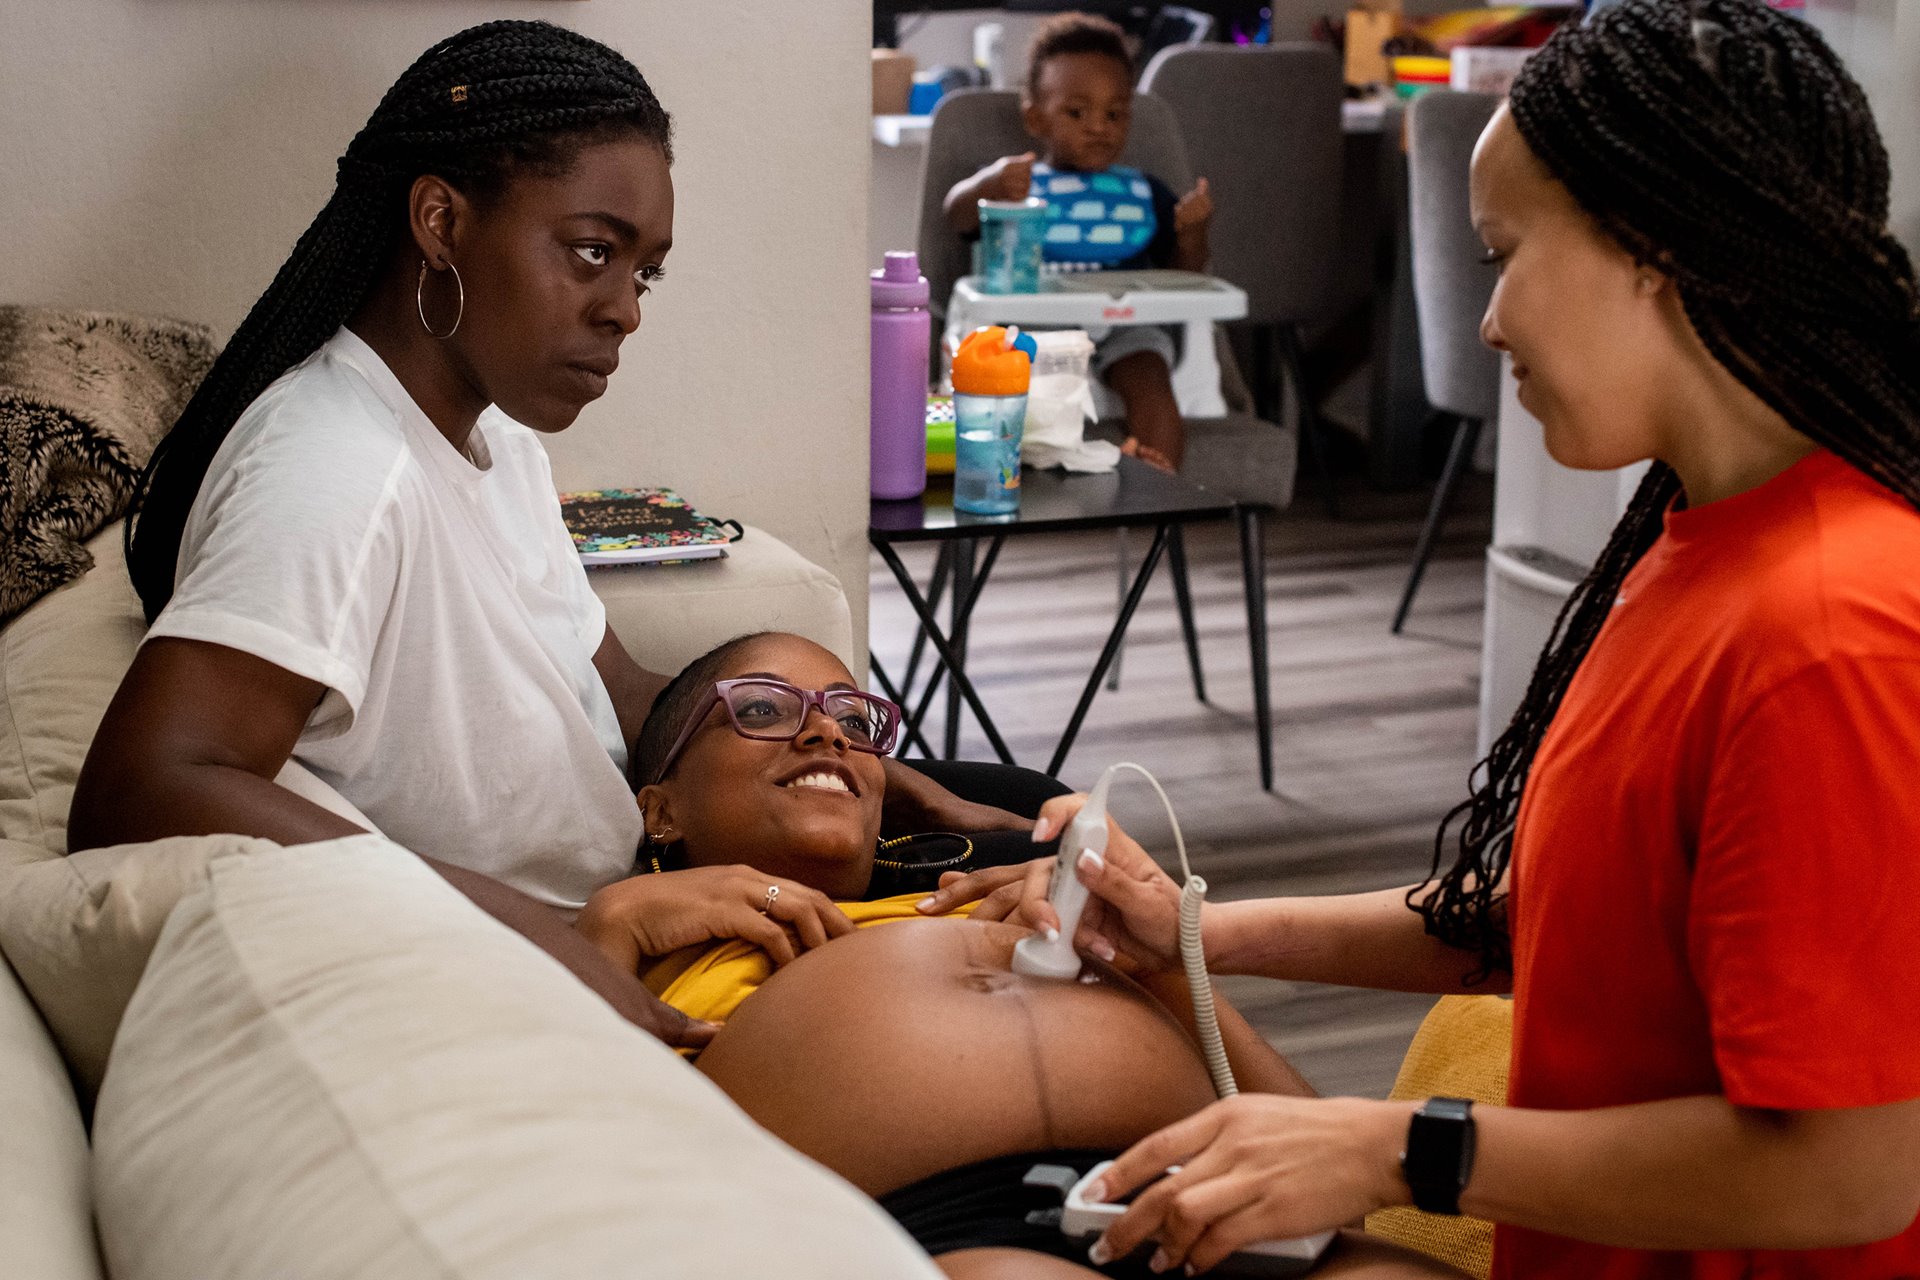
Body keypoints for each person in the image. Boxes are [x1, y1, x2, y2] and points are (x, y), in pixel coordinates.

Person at [925, 1, 1920, 1274]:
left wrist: (1404, 1146)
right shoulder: (1698, 541)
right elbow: (1576, 919)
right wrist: (1197, 930)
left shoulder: (1835, 636)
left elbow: (1850, 1170)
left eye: (1505, 253)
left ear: (1655, 246)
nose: (1490, 319)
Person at [65, 20, 1019, 1052]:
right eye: (593, 252)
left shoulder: (488, 433)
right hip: (582, 933)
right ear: (440, 221)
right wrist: (553, 939)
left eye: (641, 272)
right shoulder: (340, 468)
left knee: (1027, 814)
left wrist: (857, 763)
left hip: (644, 856)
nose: (625, 312)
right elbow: (143, 783)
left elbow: (613, 684)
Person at [577, 629, 1467, 1280]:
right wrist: (610, 932)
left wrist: (1156, 961)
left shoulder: (1010, 895)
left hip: (1207, 1198)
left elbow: (1327, 1174)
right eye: (762, 710)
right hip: (935, 1234)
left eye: (854, 719)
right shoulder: (650, 939)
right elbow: (571, 1172)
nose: (825, 735)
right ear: (661, 812)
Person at [943, 12, 1214, 472]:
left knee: (1152, 383)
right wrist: (985, 186)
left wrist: (1192, 234)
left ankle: (1160, 482)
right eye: (1077, 112)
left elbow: (1184, 278)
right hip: (1034, 328)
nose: (1098, 126)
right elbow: (956, 216)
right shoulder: (1018, 186)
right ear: (1034, 116)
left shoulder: (1145, 194)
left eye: (1114, 113)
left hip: (1125, 326)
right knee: (1007, 393)